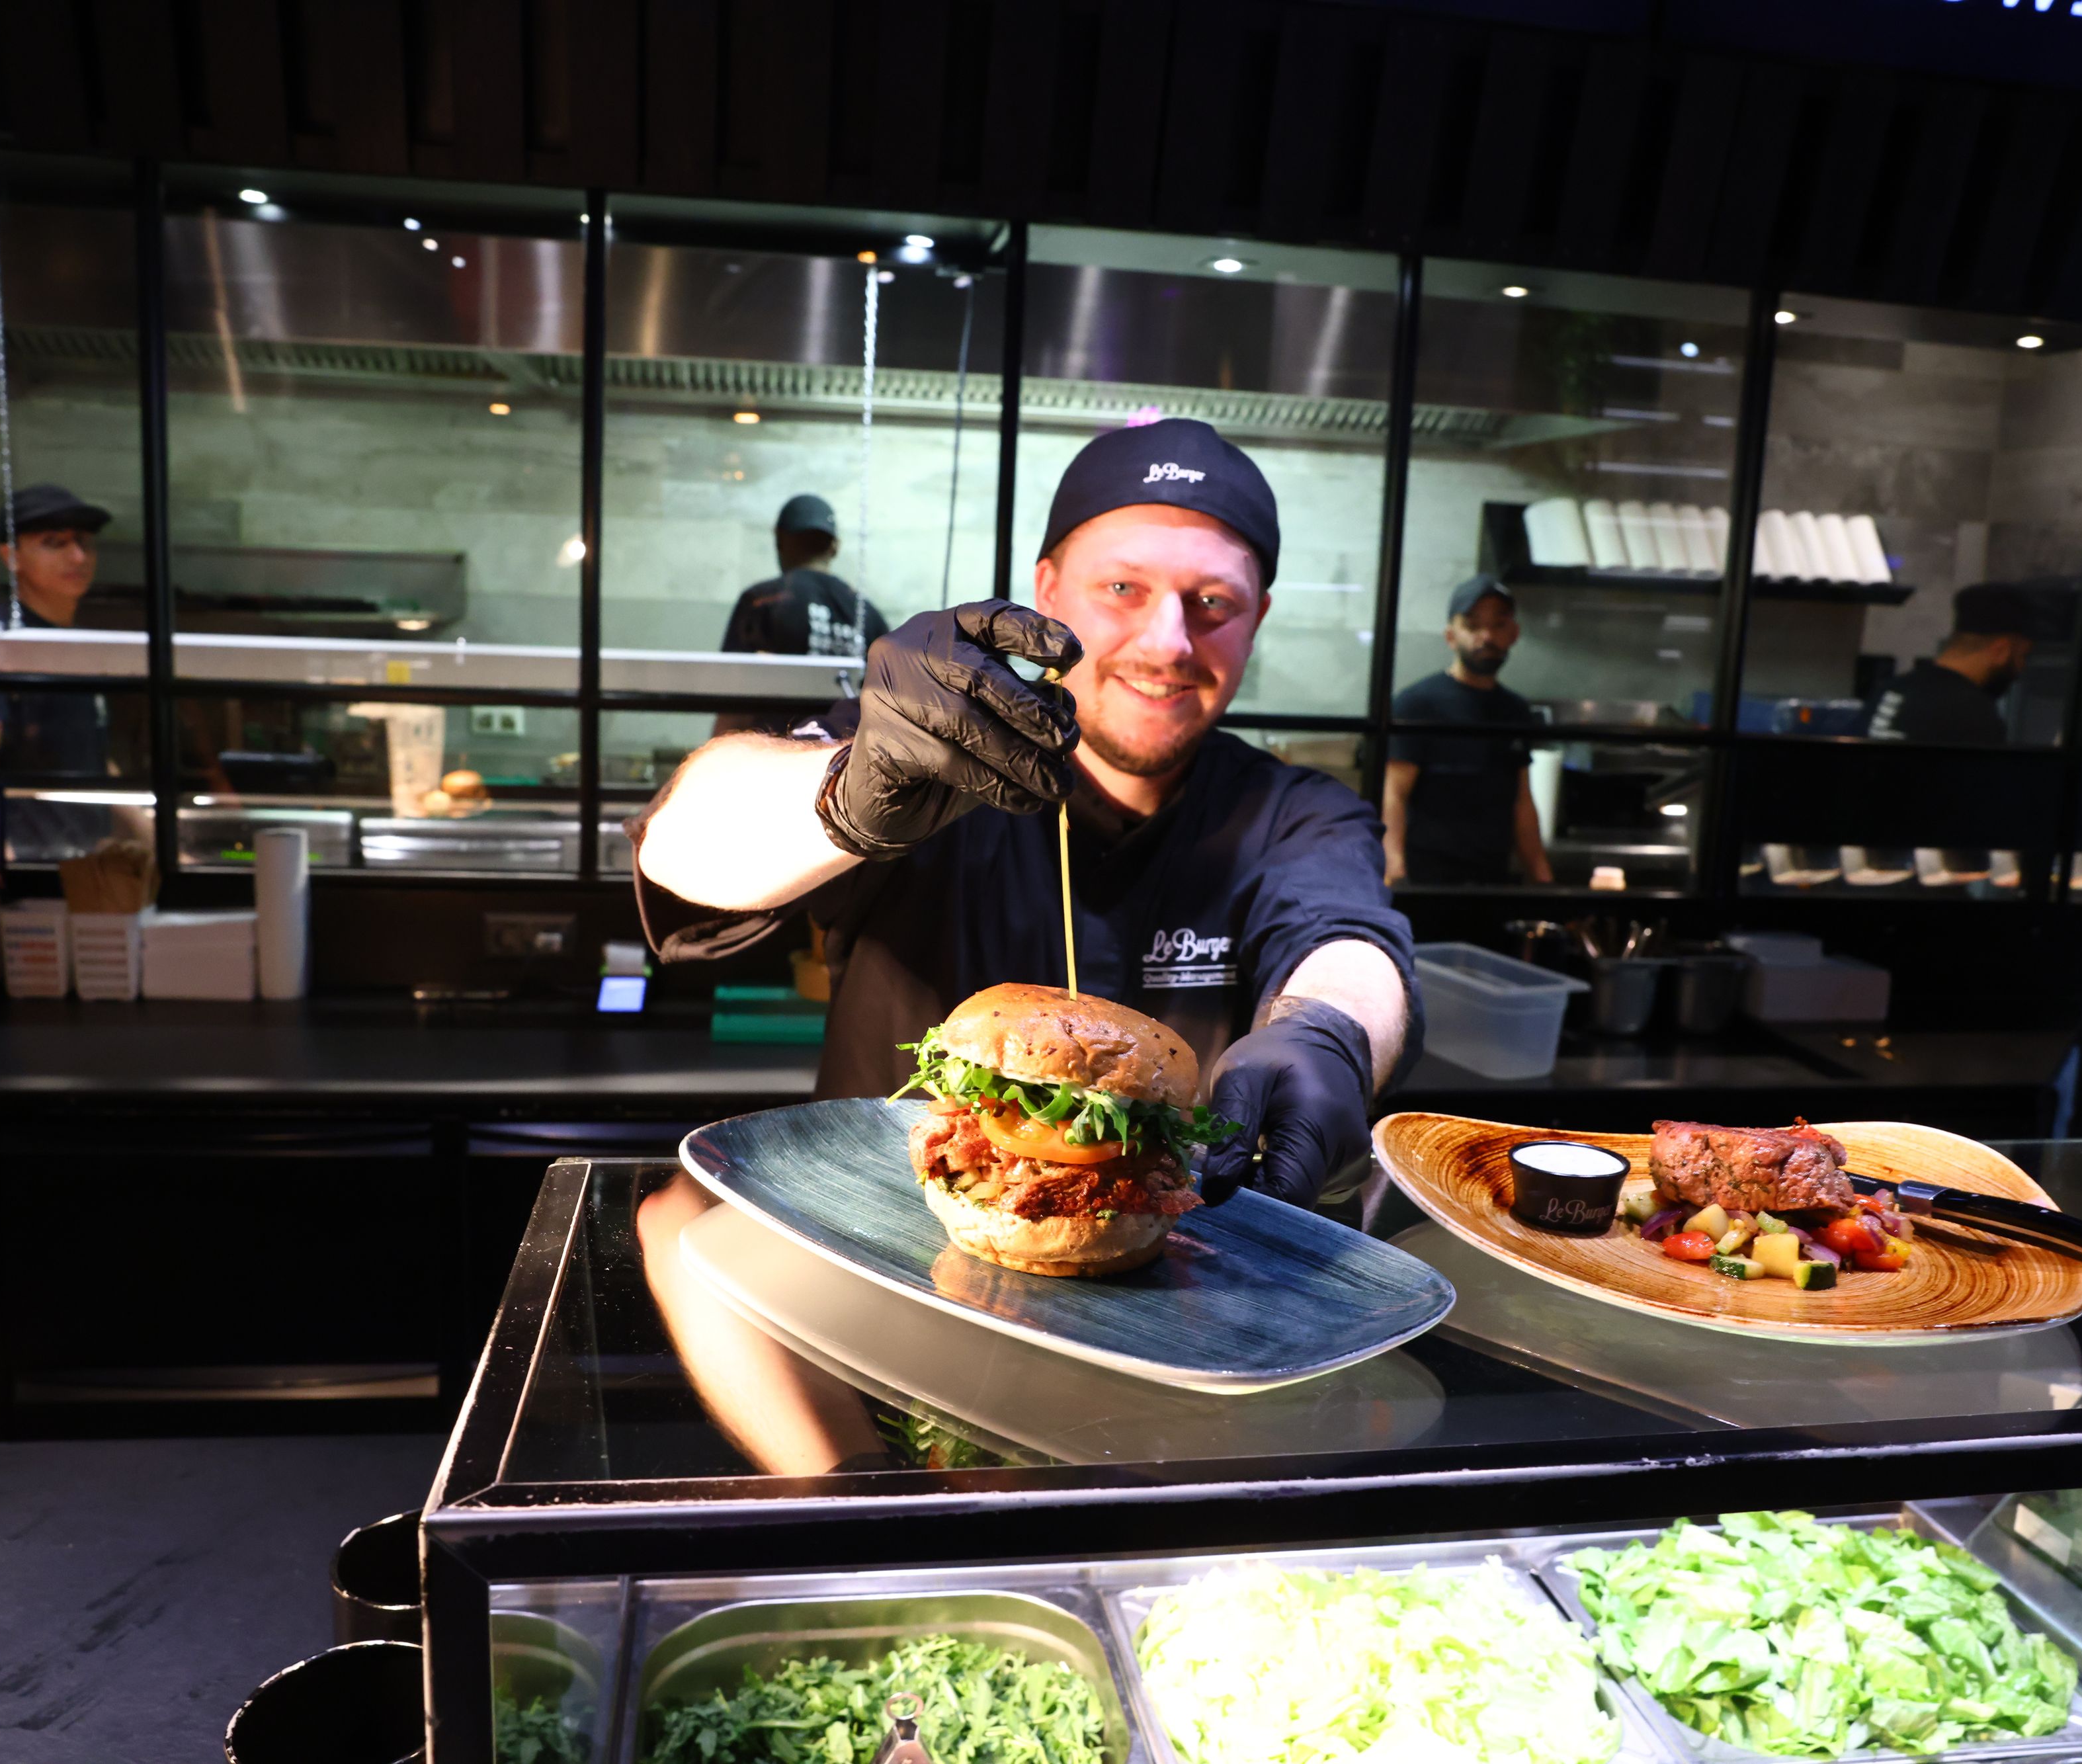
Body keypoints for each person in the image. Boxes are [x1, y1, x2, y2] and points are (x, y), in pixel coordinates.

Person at [628, 418, 1417, 1473]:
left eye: (1213, 603)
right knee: (687, 1220)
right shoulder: (923, 748)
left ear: (1258, 616)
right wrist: (847, 792)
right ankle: (867, 1516)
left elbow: (1351, 940)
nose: (1170, 641)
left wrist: (1324, 1030)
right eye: (1124, 589)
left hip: (1178, 1339)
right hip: (881, 1304)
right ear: (1048, 592)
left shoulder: (1295, 809)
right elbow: (688, 840)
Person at [1382, 575, 1553, 886]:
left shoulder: (1515, 710)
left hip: (1493, 879)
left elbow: (1521, 800)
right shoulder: (1417, 704)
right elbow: (1394, 793)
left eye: (1498, 625)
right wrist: (1394, 871)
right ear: (1451, 636)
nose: (1486, 636)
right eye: (1473, 625)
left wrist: (1543, 880)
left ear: (1513, 634)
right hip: (1426, 880)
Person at [0, 483, 114, 775]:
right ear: (12, 556)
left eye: (84, 542)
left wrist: (147, 820)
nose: (78, 557)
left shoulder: (81, 644)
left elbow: (87, 759)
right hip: (21, 821)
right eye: (54, 542)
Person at [713, 494, 890, 736]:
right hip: (843, 761)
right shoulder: (867, 614)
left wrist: (718, 757)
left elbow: (732, 696)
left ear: (779, 542)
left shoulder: (761, 601)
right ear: (834, 547)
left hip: (774, 756)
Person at [1866, 583, 2039, 745]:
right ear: (2002, 650)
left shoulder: (1893, 688)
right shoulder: (1972, 715)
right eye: (2022, 655)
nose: (2021, 667)